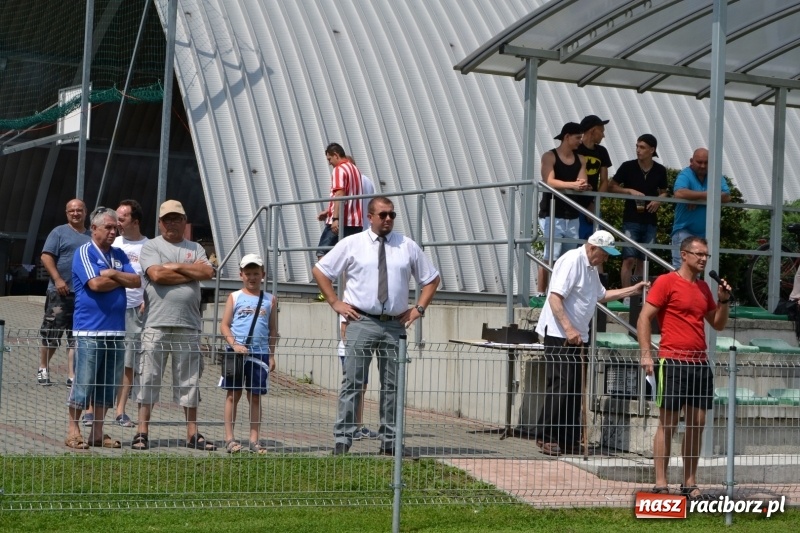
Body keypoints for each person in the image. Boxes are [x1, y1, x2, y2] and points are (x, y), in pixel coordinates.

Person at [313, 196, 440, 456]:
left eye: (392, 215)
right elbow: (321, 271)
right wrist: (335, 302)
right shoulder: (352, 244)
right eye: (382, 215)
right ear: (369, 217)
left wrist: (418, 308)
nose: (388, 219)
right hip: (361, 320)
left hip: (394, 325)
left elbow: (432, 279)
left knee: (393, 385)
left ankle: (390, 442)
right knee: (353, 382)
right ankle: (343, 440)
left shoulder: (407, 246)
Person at [534, 230, 648, 456]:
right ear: (592, 247)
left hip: (578, 336)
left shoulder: (591, 267)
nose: (605, 259)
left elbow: (601, 295)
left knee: (575, 387)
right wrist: (568, 328)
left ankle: (568, 438)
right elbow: (555, 298)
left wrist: (632, 290)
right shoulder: (571, 261)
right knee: (561, 384)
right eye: (604, 254)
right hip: (559, 333)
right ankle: (545, 436)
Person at [637, 236, 731, 499]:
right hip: (672, 360)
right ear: (684, 255)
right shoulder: (666, 282)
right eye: (698, 254)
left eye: (706, 255)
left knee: (697, 423)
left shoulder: (703, 288)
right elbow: (644, 317)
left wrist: (723, 301)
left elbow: (718, 324)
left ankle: (689, 482)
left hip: (699, 362)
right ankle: (660, 483)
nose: (703, 259)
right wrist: (646, 354)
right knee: (668, 423)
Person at [132, 200, 216, 452]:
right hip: (155, 324)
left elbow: (208, 273)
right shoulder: (151, 246)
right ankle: (141, 431)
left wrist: (174, 267)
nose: (171, 223)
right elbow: (156, 275)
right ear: (159, 222)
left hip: (189, 325)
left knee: (189, 380)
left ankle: (192, 434)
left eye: (176, 218)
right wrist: (191, 271)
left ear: (184, 220)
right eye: (167, 219)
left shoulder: (195, 247)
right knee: (148, 378)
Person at [65, 207, 140, 449]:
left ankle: (97, 433)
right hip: (90, 330)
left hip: (116, 331)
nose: (113, 231)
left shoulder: (118, 254)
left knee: (108, 384)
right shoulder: (84, 252)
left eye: (115, 227)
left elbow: (136, 280)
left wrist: (113, 273)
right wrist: (119, 279)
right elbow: (95, 284)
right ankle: (73, 430)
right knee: (84, 383)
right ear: (94, 228)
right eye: (107, 227)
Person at [220, 254, 279, 454]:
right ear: (241, 275)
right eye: (248, 273)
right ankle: (230, 438)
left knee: (255, 397)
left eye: (256, 273)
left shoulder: (270, 299)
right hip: (235, 354)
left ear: (263, 275)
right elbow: (225, 325)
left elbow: (272, 330)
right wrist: (234, 344)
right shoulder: (234, 297)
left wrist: (271, 355)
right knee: (232, 395)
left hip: (259, 353)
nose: (252, 277)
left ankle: (254, 440)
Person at [38, 199, 91, 386]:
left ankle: (72, 375)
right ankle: (43, 368)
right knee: (51, 333)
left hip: (83, 295)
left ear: (86, 212)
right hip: (59, 293)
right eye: (71, 211)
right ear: (66, 213)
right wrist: (58, 279)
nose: (75, 213)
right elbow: (46, 256)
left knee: (76, 336)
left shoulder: (92, 235)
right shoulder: (58, 232)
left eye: (79, 210)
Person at [536, 122, 589, 296]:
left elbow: (582, 182)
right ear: (566, 136)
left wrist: (578, 185)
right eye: (577, 138)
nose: (579, 142)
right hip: (551, 213)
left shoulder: (581, 159)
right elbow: (549, 181)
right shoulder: (549, 156)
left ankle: (561, 293)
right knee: (551, 254)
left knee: (569, 257)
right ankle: (540, 294)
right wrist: (573, 185)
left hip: (572, 214)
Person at [608, 134, 669, 287]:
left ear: (652, 150)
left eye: (642, 147)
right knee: (628, 258)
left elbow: (664, 191)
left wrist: (659, 200)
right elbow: (611, 186)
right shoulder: (627, 166)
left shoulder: (660, 170)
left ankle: (636, 295)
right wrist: (629, 191)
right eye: (637, 146)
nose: (638, 150)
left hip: (650, 220)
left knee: (644, 260)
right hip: (631, 219)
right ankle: (627, 295)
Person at [112, 199, 149, 428]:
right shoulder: (113, 243)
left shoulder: (150, 246)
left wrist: (147, 299)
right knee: (106, 357)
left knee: (129, 362)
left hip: (136, 310)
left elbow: (153, 277)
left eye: (122, 218)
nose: (117, 223)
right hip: (112, 308)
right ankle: (90, 409)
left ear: (135, 221)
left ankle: (120, 410)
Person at [670, 148, 731, 269]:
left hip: (707, 233)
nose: (703, 166)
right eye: (699, 162)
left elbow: (727, 196)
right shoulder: (685, 174)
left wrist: (696, 199)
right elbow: (679, 193)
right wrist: (709, 196)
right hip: (684, 231)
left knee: (703, 270)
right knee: (680, 268)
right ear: (691, 161)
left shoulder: (715, 175)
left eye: (706, 162)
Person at [316, 143, 364, 257]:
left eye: (330, 159)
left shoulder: (339, 169)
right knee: (349, 255)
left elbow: (340, 193)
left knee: (322, 252)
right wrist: (328, 211)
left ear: (336, 155)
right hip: (356, 221)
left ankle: (325, 275)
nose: (329, 163)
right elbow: (350, 195)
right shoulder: (355, 169)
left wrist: (335, 218)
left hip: (342, 221)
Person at [576, 115, 612, 241]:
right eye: (601, 131)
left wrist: (594, 204)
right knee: (575, 244)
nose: (603, 135)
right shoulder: (575, 148)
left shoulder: (602, 151)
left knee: (596, 244)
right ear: (593, 130)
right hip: (573, 204)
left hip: (592, 204)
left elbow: (604, 181)